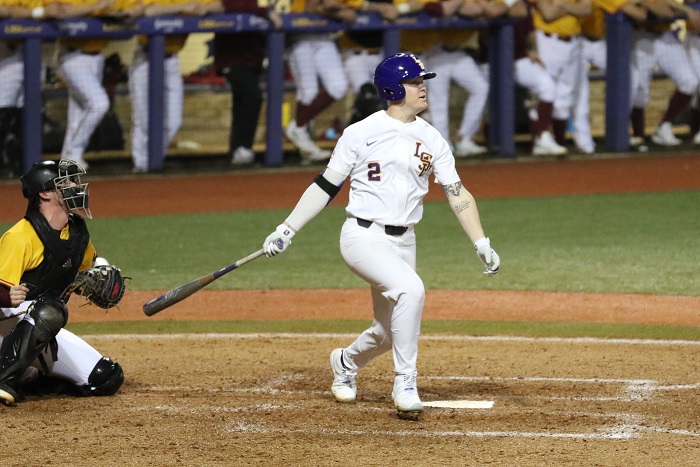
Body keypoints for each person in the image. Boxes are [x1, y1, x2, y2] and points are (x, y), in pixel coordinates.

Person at [261, 53, 500, 414]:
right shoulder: (359, 133)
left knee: (388, 332)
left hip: (405, 240)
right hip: (362, 238)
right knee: (412, 290)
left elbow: (457, 193)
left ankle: (344, 362)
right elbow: (325, 186)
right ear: (393, 88)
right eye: (415, 82)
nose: (423, 88)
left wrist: (481, 241)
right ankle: (405, 381)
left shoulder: (432, 138)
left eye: (423, 82)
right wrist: (287, 228)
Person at [0, 160, 124, 406]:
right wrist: (3, 296)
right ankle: (6, 379)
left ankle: (30, 375)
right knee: (49, 310)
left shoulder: (76, 233)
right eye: (65, 183)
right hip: (5, 325)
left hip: (35, 326)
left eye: (74, 181)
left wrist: (104, 275)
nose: (75, 187)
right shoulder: (20, 236)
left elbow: (91, 266)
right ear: (44, 193)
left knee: (106, 378)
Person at [124, 0, 220, 173]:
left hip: (172, 60)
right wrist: (182, 8)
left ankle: (152, 161)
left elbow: (219, 6)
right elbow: (149, 11)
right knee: (143, 118)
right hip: (146, 57)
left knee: (174, 120)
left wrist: (204, 8)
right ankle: (141, 165)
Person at [211, 0, 282, 165]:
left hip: (251, 60)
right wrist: (265, 12)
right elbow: (227, 6)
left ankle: (238, 149)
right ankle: (241, 148)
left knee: (243, 102)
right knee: (252, 98)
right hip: (232, 59)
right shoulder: (249, 5)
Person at [48, 0, 117, 170]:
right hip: (71, 55)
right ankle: (74, 150)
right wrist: (95, 8)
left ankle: (68, 159)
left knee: (78, 111)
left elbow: (132, 9)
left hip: (97, 56)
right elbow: (58, 11)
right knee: (99, 103)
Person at [284, 0, 354, 164]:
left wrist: (333, 9)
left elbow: (350, 12)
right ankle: (301, 132)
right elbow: (312, 7)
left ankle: (297, 127)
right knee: (308, 92)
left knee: (339, 86)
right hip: (300, 35)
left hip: (324, 35)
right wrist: (336, 11)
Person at [572, 0, 646, 153]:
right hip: (577, 41)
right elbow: (639, 14)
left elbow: (639, 14)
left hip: (598, 42)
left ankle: (619, 130)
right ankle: (584, 142)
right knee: (580, 92)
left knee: (632, 75)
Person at [422, 0, 490, 157]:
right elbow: (440, 10)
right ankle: (443, 147)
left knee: (481, 87)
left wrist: (456, 6)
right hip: (435, 52)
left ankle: (464, 138)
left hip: (459, 54)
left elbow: (476, 9)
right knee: (438, 102)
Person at [630, 0, 699, 146]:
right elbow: (664, 10)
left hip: (665, 35)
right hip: (642, 37)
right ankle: (638, 135)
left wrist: (684, 9)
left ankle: (664, 126)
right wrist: (684, 10)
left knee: (690, 82)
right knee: (639, 91)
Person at [530, 0, 592, 149]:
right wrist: (573, 8)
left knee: (565, 95)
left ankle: (559, 142)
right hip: (548, 40)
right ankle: (539, 141)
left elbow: (587, 9)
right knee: (544, 91)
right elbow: (548, 13)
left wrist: (562, 6)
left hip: (574, 42)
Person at [0, 0, 39, 178]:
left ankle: (19, 164)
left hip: (25, 52)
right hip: (6, 53)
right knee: (4, 112)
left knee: (25, 112)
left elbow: (53, 11)